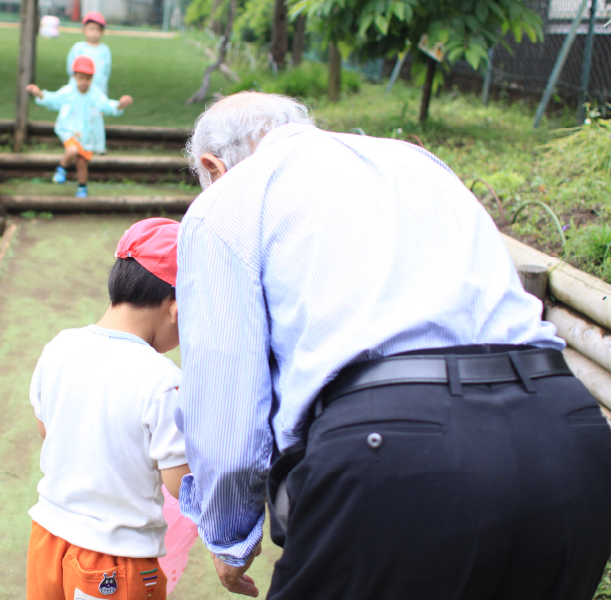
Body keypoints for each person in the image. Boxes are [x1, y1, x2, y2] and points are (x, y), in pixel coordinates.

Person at [175, 91, 611, 600]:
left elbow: (226, 401)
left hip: (393, 450)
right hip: (567, 433)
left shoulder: (225, 203)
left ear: (212, 165)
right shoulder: (416, 162)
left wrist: (230, 538)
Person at [27, 218, 191, 600]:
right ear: (176, 309)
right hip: (116, 559)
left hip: (47, 538)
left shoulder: (59, 347)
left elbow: (46, 429)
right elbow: (180, 485)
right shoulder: (163, 379)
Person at [27, 55, 132, 198]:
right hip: (69, 130)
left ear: (92, 78)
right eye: (81, 78)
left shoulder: (95, 94)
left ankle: (82, 187)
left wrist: (119, 104)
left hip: (86, 135)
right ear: (75, 76)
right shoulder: (68, 92)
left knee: (82, 163)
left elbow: (107, 106)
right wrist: (39, 94)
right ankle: (62, 168)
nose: (84, 82)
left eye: (88, 78)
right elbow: (53, 100)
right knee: (72, 150)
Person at [66, 12, 112, 154]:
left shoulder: (104, 50)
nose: (94, 33)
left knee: (95, 118)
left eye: (97, 30)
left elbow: (106, 72)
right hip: (80, 90)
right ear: (84, 30)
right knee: (78, 116)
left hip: (96, 92)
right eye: (91, 29)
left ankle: (98, 146)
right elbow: (70, 68)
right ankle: (76, 143)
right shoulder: (78, 48)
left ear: (102, 32)